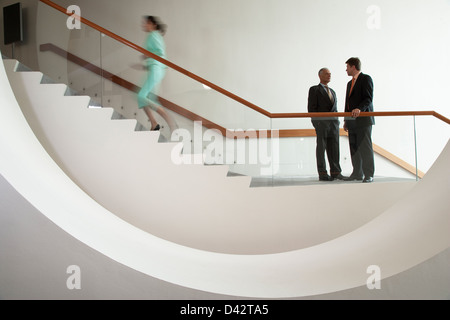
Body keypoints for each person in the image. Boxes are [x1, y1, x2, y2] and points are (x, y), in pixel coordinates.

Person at [138, 15, 177, 132]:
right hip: (155, 69)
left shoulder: (153, 35)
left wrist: (146, 55)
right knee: (144, 98)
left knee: (141, 96)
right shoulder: (153, 36)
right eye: (144, 23)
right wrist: (146, 64)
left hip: (156, 69)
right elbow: (156, 54)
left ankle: (167, 118)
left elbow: (160, 53)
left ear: (153, 24)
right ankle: (154, 123)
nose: (144, 25)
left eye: (147, 23)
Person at [308, 68, 346, 181]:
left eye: (330, 74)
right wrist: (317, 123)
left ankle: (336, 172)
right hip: (321, 124)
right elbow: (311, 108)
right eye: (326, 74)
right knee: (321, 149)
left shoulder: (333, 92)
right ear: (320, 76)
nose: (329, 75)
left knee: (334, 148)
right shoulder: (314, 89)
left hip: (334, 124)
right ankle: (322, 173)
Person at [343, 57, 375, 183]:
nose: (346, 70)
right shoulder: (349, 83)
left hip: (363, 120)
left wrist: (359, 109)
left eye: (347, 67)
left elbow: (368, 98)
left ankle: (369, 174)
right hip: (351, 121)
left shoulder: (366, 79)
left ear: (353, 67)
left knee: (365, 147)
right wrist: (346, 120)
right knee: (354, 147)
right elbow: (347, 103)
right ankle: (357, 173)